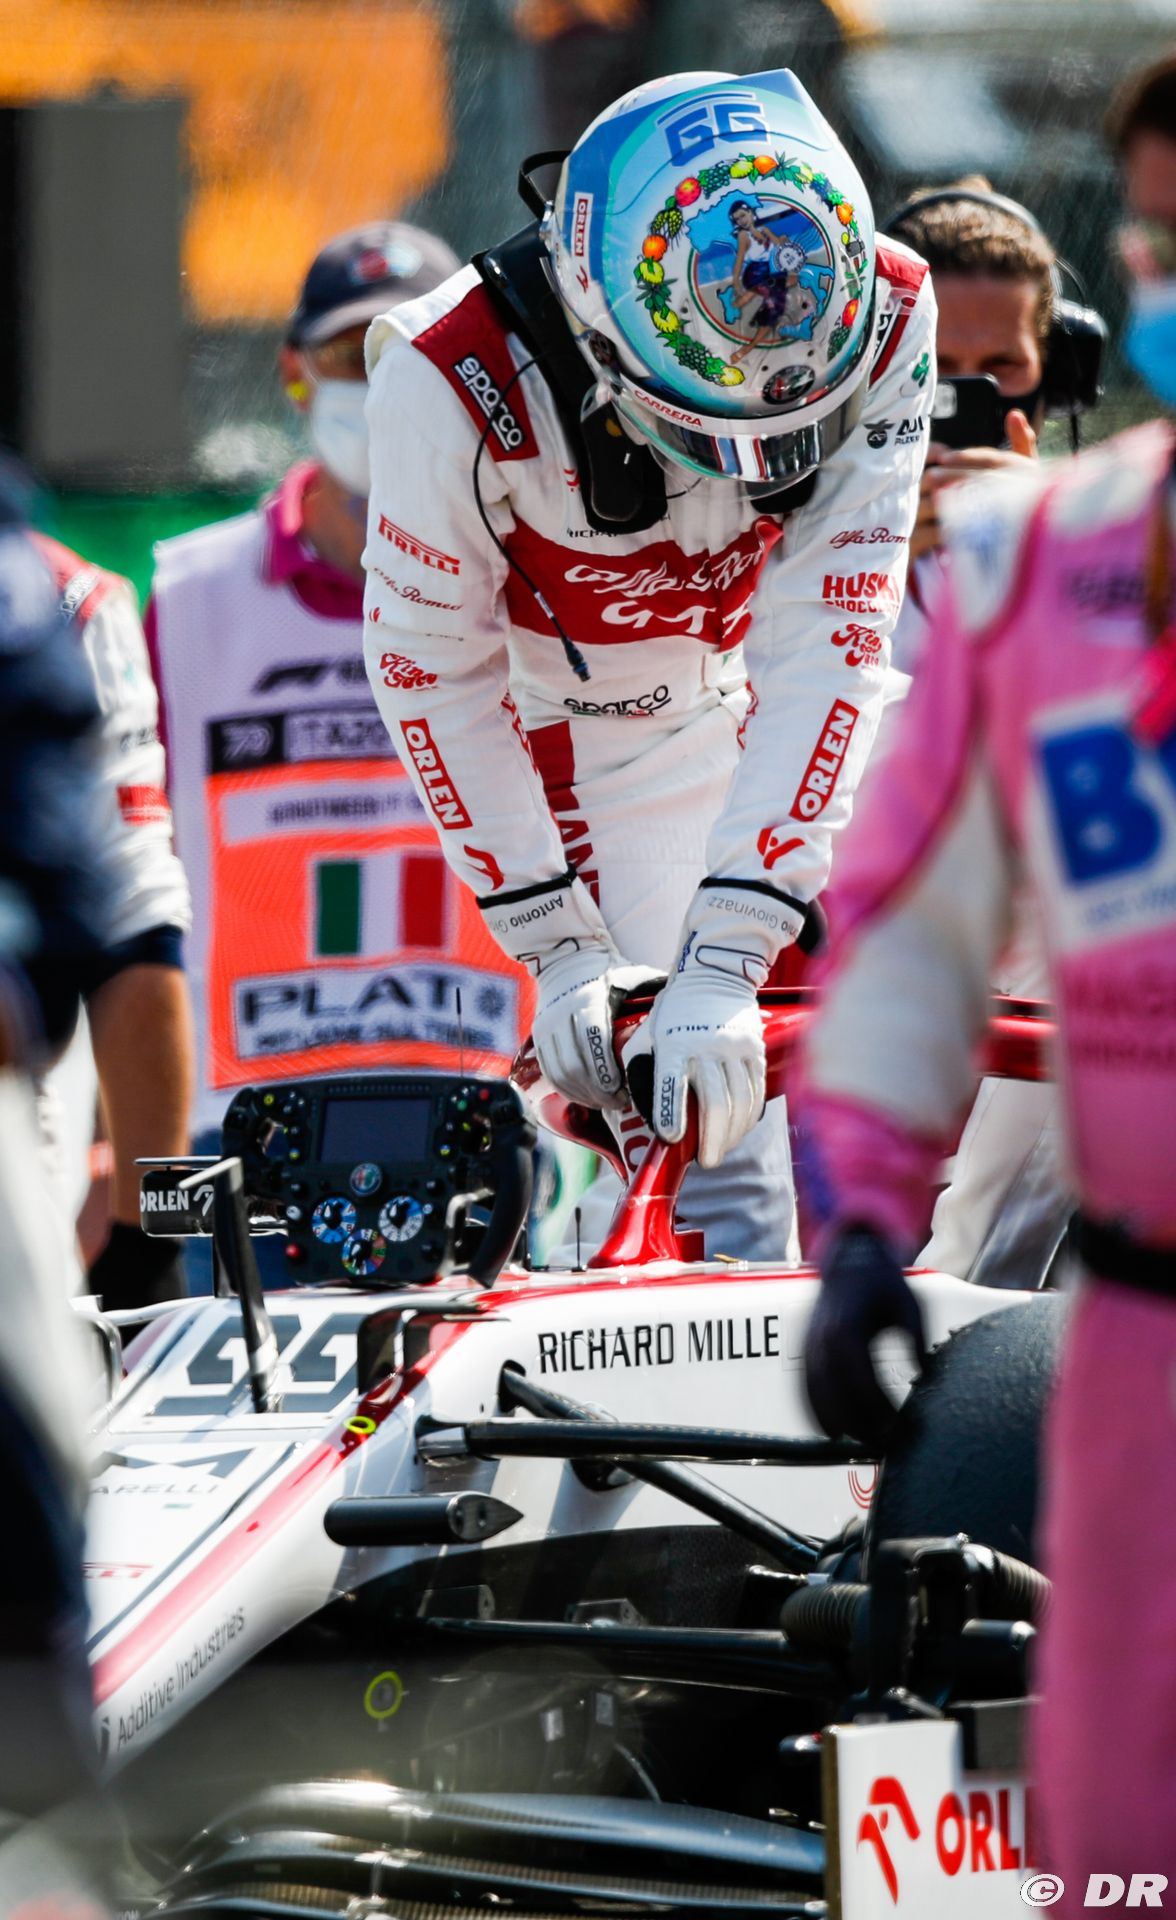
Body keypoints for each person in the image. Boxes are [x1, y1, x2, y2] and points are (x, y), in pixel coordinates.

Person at [801, 46, 1176, 1890]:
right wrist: (863, 1220)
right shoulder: (1039, 561)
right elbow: (908, 914)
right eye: (1166, 237)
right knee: (1097, 1850)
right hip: (1124, 1332)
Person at [360, 68, 936, 1261]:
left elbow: (836, 636)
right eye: (702, 430)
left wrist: (734, 943)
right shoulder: (445, 374)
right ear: (592, 324)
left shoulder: (887, 304)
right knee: (712, 1164)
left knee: (1078, 918)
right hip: (600, 737)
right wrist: (555, 942)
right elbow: (430, 673)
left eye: (791, 436)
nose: (750, 466)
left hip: (785, 685)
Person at [147, 223, 538, 1228]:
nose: (381, 384)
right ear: (293, 373)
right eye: (349, 355)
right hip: (240, 1127)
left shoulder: (543, 582)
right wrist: (127, 1131)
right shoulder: (186, 596)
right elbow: (126, 875)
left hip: (489, 1111)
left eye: (409, 353)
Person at [875, 182, 1105, 1291]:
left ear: (1055, 371)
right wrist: (870, 555)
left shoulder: (1114, 546)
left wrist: (1056, 562)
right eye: (935, 366)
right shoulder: (774, 551)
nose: (963, 396)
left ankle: (972, 1309)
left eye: (999, 368)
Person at [31, 535, 195, 1314]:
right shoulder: (62, 598)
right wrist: (151, 1239)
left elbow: (134, 921)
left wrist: (153, 1236)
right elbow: (137, 915)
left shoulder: (67, 602)